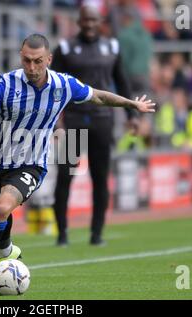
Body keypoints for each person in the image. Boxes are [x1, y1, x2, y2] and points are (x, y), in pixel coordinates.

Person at [0, 33, 155, 291]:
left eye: (38, 61)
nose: (31, 67)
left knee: (1, 209)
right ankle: (7, 250)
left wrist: (131, 104)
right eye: (26, 60)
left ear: (49, 59)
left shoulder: (63, 84)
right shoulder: (5, 83)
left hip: (32, 164)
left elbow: (98, 96)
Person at [51, 5, 138, 246]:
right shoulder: (66, 48)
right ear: (78, 22)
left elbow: (122, 81)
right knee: (65, 176)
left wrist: (132, 115)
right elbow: (53, 88)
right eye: (85, 20)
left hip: (102, 122)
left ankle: (97, 234)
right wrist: (56, 123)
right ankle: (62, 234)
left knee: (100, 178)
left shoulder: (112, 46)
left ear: (100, 21)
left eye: (93, 20)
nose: (89, 24)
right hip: (73, 123)